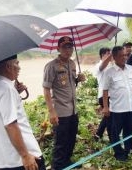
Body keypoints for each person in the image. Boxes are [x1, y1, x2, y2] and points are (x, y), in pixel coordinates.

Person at [0, 55, 45, 170]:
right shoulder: (6, 88)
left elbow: (1, 116)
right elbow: (10, 125)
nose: (19, 68)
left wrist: (16, 93)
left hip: (1, 161)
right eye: (17, 63)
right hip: (21, 160)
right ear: (8, 66)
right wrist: (25, 155)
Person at [43, 36, 86, 169]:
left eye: (70, 47)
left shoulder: (72, 64)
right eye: (64, 47)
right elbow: (46, 89)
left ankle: (67, 162)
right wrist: (52, 112)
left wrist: (78, 79)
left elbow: (71, 84)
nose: (68, 50)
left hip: (73, 110)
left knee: (71, 139)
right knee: (60, 143)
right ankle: (57, 166)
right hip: (60, 111)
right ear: (58, 49)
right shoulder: (51, 66)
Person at [102, 46, 132, 161]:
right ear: (114, 57)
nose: (124, 58)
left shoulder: (131, 68)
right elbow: (105, 90)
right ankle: (119, 153)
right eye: (121, 56)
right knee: (115, 133)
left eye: (125, 55)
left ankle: (128, 149)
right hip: (117, 109)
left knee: (129, 130)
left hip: (130, 107)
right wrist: (106, 107)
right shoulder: (109, 72)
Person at [93, 47, 113, 141]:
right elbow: (102, 67)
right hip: (103, 95)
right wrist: (111, 56)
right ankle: (109, 136)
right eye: (107, 54)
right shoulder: (99, 65)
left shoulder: (111, 65)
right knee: (109, 116)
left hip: (112, 95)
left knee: (108, 116)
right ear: (102, 55)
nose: (109, 55)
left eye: (110, 53)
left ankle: (98, 134)